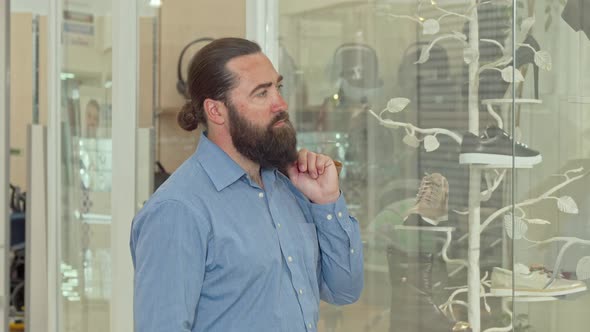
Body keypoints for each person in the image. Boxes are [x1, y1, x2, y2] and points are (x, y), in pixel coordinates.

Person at [130, 37, 363, 332]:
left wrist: (327, 202)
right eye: (261, 93)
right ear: (216, 111)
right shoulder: (177, 211)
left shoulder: (289, 188)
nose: (281, 103)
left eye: (277, 87)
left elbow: (344, 291)